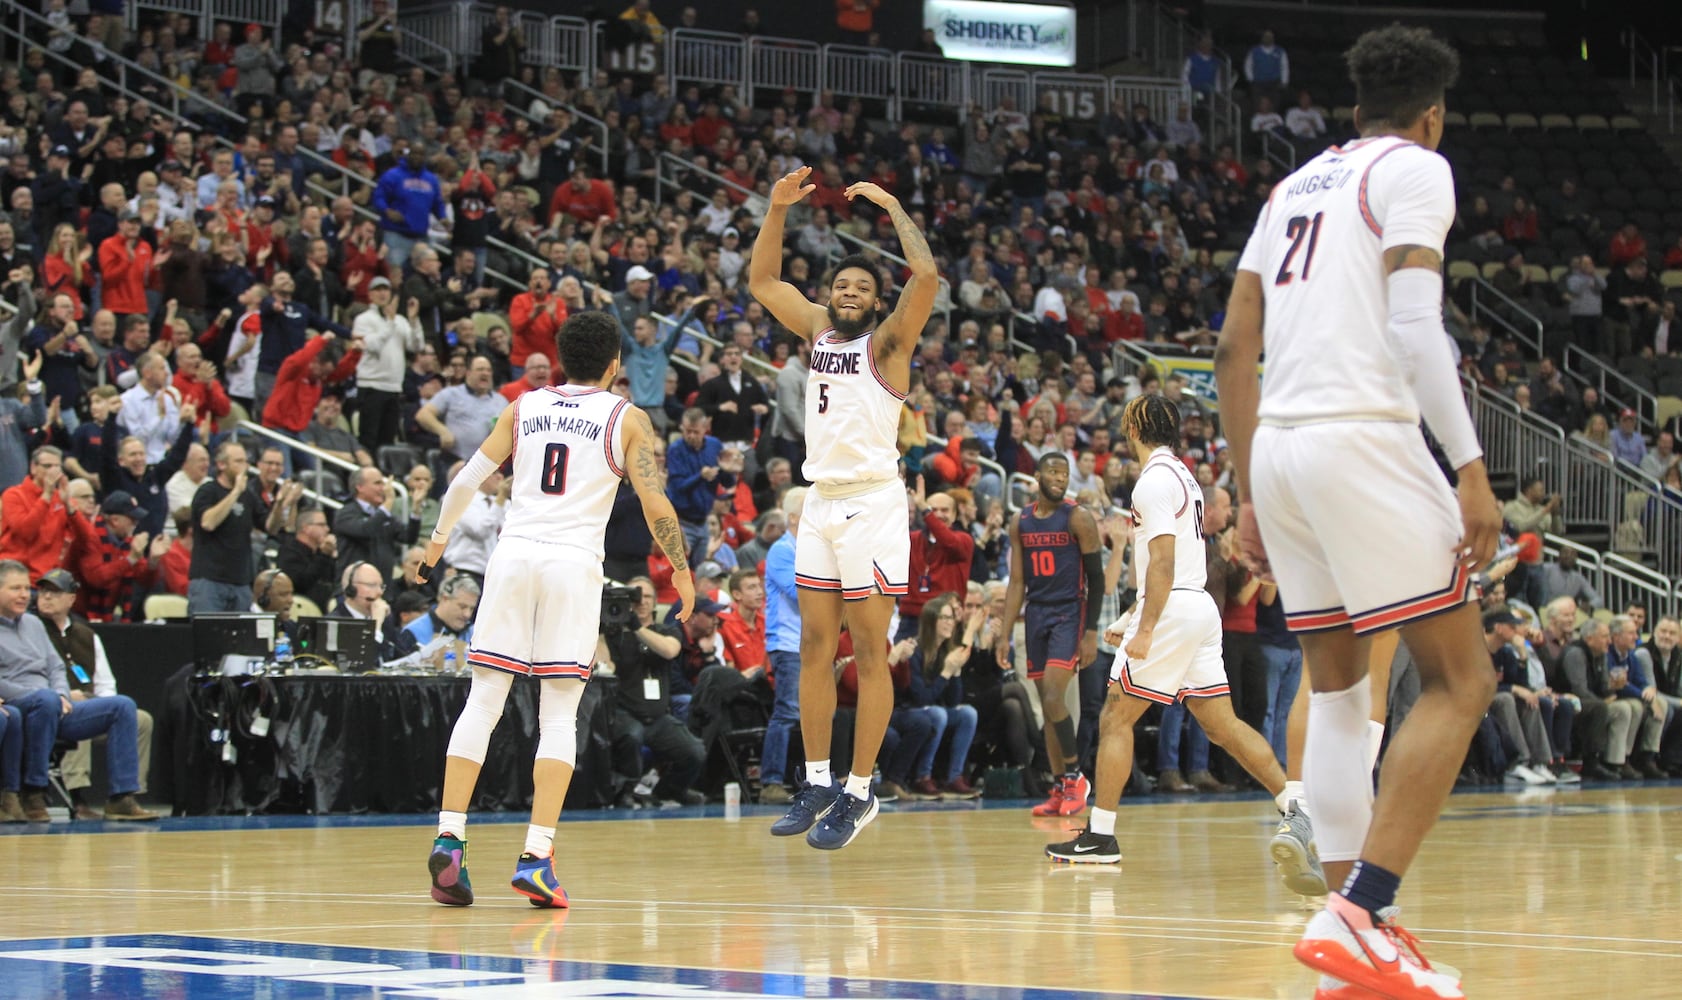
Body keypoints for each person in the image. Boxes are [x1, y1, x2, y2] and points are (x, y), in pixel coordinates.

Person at [1214, 26, 1493, 998]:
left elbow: (1227, 352)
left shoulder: (1290, 189)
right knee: (1459, 680)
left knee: (1335, 692)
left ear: (1350, 109)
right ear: (1430, 114)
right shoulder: (1416, 168)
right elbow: (1414, 323)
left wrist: (1249, 485)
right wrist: (1465, 463)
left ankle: (1352, 940)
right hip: (1359, 439)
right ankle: (1358, 908)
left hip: (1281, 451)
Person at [423, 311, 695, 908]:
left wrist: (438, 540)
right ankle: (537, 856)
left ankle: (449, 836)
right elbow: (655, 501)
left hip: (513, 557)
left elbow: (468, 477)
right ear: (616, 364)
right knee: (559, 713)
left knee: (485, 698)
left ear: (561, 358)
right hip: (572, 565)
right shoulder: (627, 417)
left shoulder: (523, 406)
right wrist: (680, 568)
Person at [748, 167, 937, 850]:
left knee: (868, 651)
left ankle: (861, 792)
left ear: (876, 301)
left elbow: (927, 277)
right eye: (840, 285)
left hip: (873, 505)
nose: (847, 292)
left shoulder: (888, 344)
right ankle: (821, 780)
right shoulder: (821, 332)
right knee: (814, 650)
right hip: (821, 504)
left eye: (861, 287)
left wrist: (889, 204)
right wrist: (775, 210)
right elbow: (764, 284)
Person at [1046, 396, 1287, 864]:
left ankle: (1100, 836)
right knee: (1223, 726)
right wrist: (1129, 617)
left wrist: (1147, 627)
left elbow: (1162, 561)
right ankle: (1294, 804)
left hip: (1173, 608)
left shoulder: (1153, 480)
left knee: (1116, 718)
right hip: (1197, 607)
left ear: (1136, 424)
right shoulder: (1183, 475)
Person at [0, 559, 156, 822]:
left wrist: (61, 695)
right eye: (16, 588)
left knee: (122, 706)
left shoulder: (33, 625)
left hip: (54, 706)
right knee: (44, 699)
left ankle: (121, 798)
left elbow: (56, 668)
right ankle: (35, 791)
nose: (25, 595)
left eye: (27, 588)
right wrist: (44, 696)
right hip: (20, 705)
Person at [995, 452, 1103, 817]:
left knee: (1056, 697)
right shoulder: (1020, 522)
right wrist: (1004, 633)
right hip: (1037, 616)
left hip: (1069, 614)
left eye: (1065, 473)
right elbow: (1017, 583)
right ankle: (1059, 787)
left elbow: (1098, 579)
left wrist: (1091, 633)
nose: (1060, 477)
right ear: (1037, 476)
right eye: (1053, 471)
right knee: (1047, 708)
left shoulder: (1078, 517)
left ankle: (1076, 778)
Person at [188, 441, 256, 613]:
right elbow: (208, 523)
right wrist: (235, 493)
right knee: (208, 636)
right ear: (221, 465)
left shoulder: (248, 495)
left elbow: (270, 527)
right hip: (209, 581)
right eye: (238, 462)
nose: (244, 467)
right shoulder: (208, 491)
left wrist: (283, 503)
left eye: (245, 462)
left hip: (241, 582)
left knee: (242, 638)